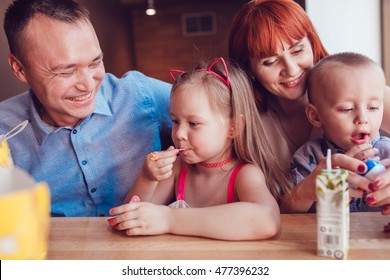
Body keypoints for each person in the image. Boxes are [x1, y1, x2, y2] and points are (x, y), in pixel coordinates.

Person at [0, 0, 172, 217]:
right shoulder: (4, 130)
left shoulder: (140, 94)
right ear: (19, 69)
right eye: (66, 72)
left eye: (94, 63)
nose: (88, 85)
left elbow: (221, 113)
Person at [228, 0, 390, 214]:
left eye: (298, 50)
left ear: (312, 42)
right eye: (269, 61)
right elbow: (264, 215)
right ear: (248, 70)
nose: (291, 69)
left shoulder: (365, 91)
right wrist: (304, 192)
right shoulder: (250, 128)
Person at [108, 57, 289, 240]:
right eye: (176, 121)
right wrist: (147, 178)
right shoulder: (178, 169)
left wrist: (169, 219)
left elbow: (267, 221)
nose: (179, 133)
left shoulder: (244, 174)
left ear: (233, 128)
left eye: (194, 123)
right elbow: (131, 221)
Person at [291, 52, 390, 212]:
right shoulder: (310, 157)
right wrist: (313, 192)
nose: (362, 118)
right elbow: (292, 214)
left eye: (373, 107)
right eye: (347, 109)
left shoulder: (387, 152)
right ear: (316, 116)